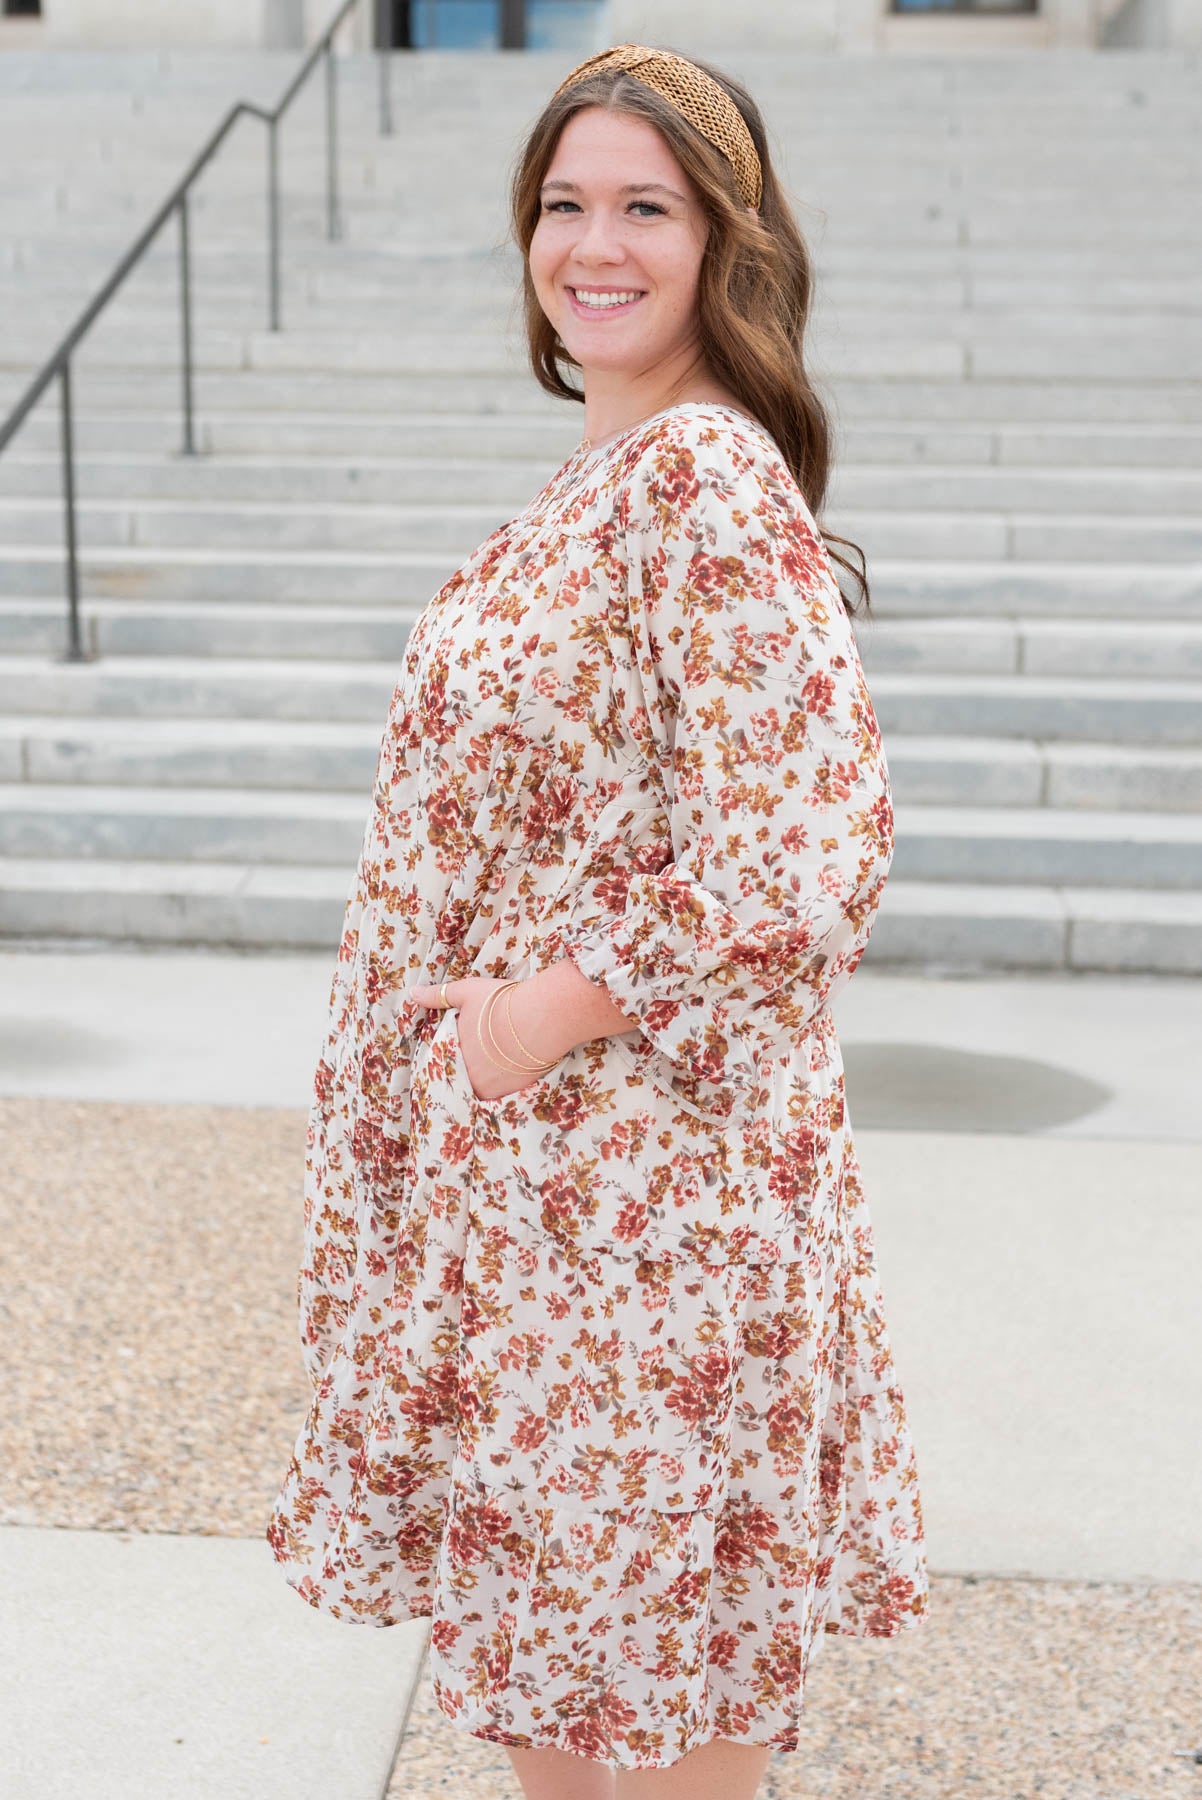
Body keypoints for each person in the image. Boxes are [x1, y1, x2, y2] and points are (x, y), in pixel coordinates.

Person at [265, 40, 929, 1800]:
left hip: (642, 1219)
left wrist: (527, 1017)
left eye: (647, 204)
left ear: (728, 237)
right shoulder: (592, 489)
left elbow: (807, 846)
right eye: (564, 204)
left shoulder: (702, 480)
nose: (595, 243)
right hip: (543, 1224)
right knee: (560, 1715)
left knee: (649, 1728)